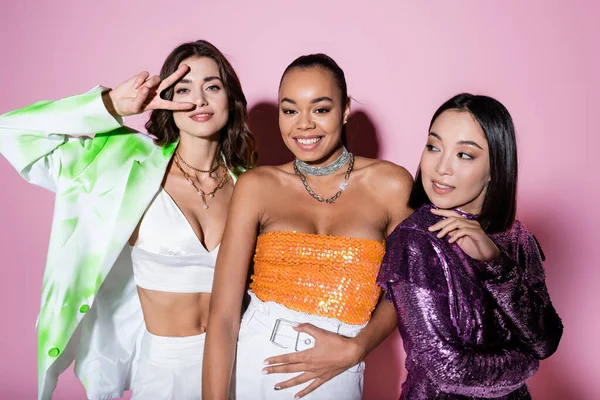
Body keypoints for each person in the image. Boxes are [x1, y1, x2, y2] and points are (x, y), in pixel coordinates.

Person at [0, 39, 255, 400]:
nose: (199, 100)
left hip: (241, 364)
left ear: (230, 98)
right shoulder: (125, 163)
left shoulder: (249, 183)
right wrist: (110, 105)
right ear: (165, 99)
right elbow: (9, 131)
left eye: (212, 86)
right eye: (183, 88)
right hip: (163, 370)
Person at [203, 53, 413, 400]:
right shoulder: (258, 186)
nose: (303, 125)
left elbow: (405, 289)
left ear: (344, 110)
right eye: (289, 110)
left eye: (320, 109)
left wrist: (358, 347)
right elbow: (224, 314)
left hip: (339, 365)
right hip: (257, 359)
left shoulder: (391, 185)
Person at [377, 93, 563, 399]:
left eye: (464, 155)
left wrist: (495, 262)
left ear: (496, 167)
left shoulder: (517, 237)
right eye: (433, 147)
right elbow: (447, 369)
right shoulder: (415, 240)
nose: (441, 167)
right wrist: (527, 364)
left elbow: (544, 339)